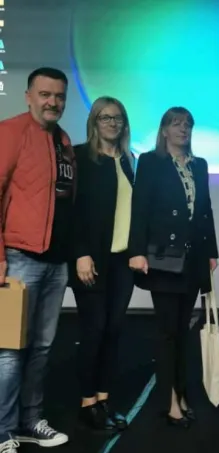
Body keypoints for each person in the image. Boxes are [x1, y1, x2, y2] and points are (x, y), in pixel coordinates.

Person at [0, 67, 73, 453]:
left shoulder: (63, 141)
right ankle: (2, 435)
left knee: (42, 348)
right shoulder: (10, 132)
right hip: (19, 259)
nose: (52, 102)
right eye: (45, 94)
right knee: (10, 352)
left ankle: (29, 422)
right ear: (28, 95)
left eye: (59, 96)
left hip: (55, 262)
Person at [128, 107, 218, 429]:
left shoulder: (200, 164)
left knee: (182, 331)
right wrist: (137, 252)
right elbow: (140, 208)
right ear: (164, 130)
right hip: (164, 258)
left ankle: (180, 392)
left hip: (193, 259)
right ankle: (169, 402)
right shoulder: (150, 162)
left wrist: (212, 252)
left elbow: (205, 210)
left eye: (188, 124)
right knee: (167, 333)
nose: (183, 129)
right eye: (176, 124)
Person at [70, 97, 135, 432]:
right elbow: (72, 210)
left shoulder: (129, 160)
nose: (112, 123)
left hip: (122, 260)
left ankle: (104, 398)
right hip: (91, 260)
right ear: (94, 122)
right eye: (105, 117)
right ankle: (88, 402)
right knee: (93, 330)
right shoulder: (80, 157)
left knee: (114, 329)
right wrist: (80, 253)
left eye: (118, 117)